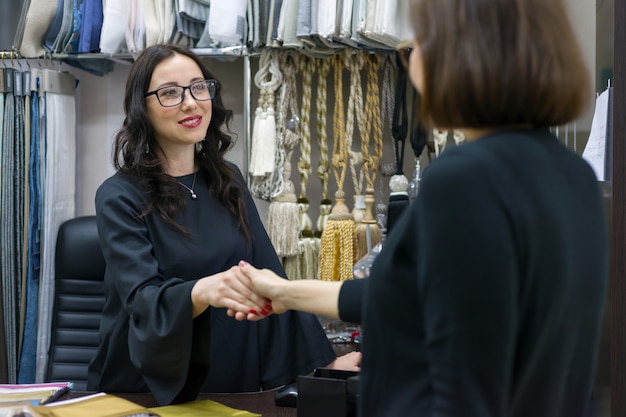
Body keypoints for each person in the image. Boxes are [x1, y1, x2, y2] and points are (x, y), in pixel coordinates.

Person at [231, 0, 610, 416]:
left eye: (418, 45)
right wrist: (284, 293)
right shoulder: (573, 176)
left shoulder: (464, 178)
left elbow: (462, 379)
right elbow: (407, 294)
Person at [87, 43, 360, 406]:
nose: (190, 102)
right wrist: (202, 291)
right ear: (142, 107)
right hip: (148, 385)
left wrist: (323, 366)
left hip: (233, 371)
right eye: (170, 93)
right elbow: (143, 301)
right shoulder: (119, 195)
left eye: (199, 87)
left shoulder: (227, 179)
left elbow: (269, 273)